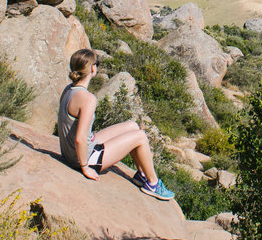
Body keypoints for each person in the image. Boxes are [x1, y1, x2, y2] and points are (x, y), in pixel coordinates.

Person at [58, 48, 175, 201]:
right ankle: (152, 184)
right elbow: (80, 139)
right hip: (83, 158)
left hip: (71, 152)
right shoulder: (87, 99)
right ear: (93, 69)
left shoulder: (69, 89)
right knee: (140, 137)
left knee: (132, 126)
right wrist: (85, 167)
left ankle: (142, 175)